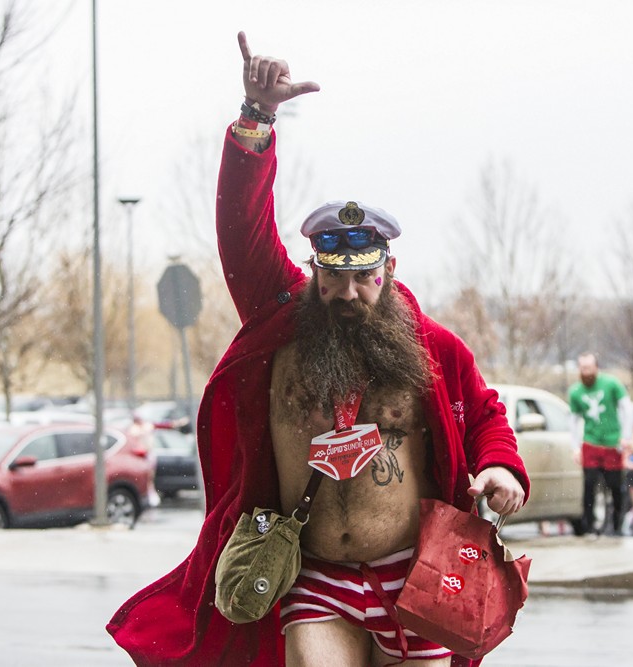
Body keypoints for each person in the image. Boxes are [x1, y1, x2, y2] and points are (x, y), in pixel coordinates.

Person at [107, 34, 529, 667]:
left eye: (364, 276)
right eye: (334, 276)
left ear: (388, 269)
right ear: (314, 269)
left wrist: (499, 468)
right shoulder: (282, 320)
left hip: (416, 574)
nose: (348, 292)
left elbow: (486, 413)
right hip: (317, 577)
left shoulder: (432, 346)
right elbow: (241, 233)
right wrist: (256, 118)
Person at [568, 353, 631, 536]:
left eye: (589, 368)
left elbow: (626, 408)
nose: (586, 372)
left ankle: (617, 524)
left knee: (615, 485)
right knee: (589, 485)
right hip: (591, 442)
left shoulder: (611, 384)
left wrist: (625, 437)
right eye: (583, 368)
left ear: (597, 368)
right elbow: (573, 420)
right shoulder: (576, 391)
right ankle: (590, 525)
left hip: (612, 442)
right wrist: (575, 447)